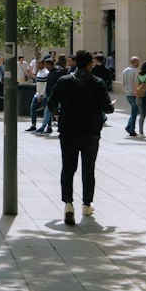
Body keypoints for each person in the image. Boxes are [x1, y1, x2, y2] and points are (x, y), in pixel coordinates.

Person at [47, 50, 115, 225]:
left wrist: (58, 114)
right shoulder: (97, 83)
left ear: (76, 63)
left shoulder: (64, 81)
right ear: (89, 64)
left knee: (68, 168)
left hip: (68, 131)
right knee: (88, 169)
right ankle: (86, 204)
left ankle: (68, 204)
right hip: (90, 133)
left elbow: (51, 103)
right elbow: (107, 108)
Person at [122, 55, 141, 137]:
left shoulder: (125, 71)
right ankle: (131, 129)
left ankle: (129, 126)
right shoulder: (136, 72)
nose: (139, 63)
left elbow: (123, 83)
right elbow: (137, 84)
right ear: (135, 62)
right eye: (138, 62)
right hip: (133, 94)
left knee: (135, 111)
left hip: (127, 93)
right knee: (135, 112)